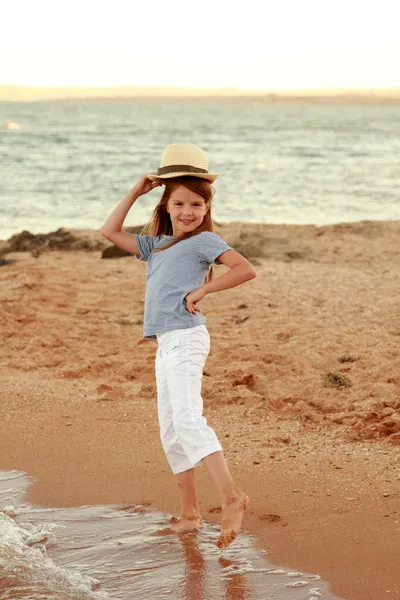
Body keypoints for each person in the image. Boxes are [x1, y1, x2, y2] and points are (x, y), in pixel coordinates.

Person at [100, 143, 257, 549]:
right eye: (180, 204)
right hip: (165, 343)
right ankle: (189, 513)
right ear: (166, 206)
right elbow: (109, 232)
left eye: (196, 205)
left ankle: (231, 497)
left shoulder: (205, 242)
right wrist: (136, 192)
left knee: (188, 420)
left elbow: (245, 269)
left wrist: (204, 291)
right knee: (170, 431)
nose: (188, 212)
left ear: (206, 209)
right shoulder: (157, 245)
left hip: (187, 338)